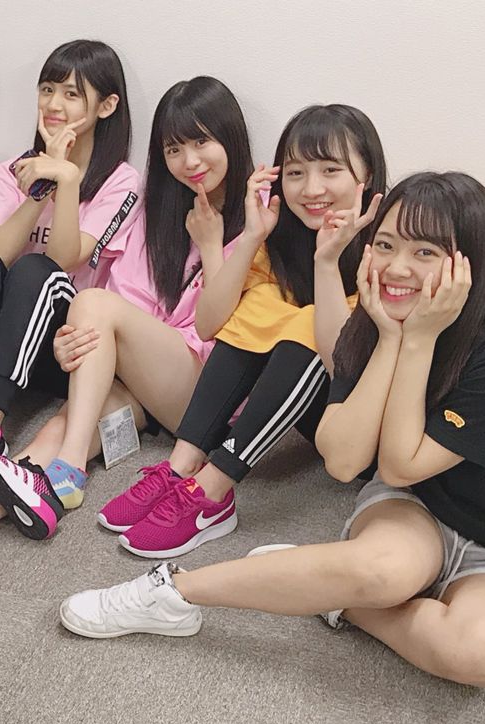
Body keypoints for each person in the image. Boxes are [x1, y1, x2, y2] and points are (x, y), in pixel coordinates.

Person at [59, 173, 485, 689]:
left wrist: (419, 341)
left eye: (425, 252)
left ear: (470, 265)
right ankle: (171, 592)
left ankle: (334, 595)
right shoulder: (375, 318)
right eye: (385, 245)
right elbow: (343, 460)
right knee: (385, 571)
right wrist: (392, 339)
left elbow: (402, 461)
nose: (396, 268)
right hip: (419, 507)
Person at [0, 77, 266, 548]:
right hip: (150, 389)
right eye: (174, 149)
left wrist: (210, 245)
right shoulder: (160, 212)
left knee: (92, 304)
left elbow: (219, 330)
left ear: (231, 139)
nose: (190, 161)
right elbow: (129, 299)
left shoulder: (259, 217)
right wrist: (78, 340)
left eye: (202, 142)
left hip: (209, 398)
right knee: (68, 420)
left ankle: (71, 466)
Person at [100, 104, 387, 558]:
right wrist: (253, 236)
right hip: (312, 414)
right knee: (260, 304)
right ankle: (181, 466)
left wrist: (328, 261)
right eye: (296, 172)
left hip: (367, 432)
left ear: (366, 174)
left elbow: (342, 363)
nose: (312, 189)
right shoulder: (285, 235)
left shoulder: (386, 245)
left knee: (306, 324)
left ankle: (213, 491)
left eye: (331, 170)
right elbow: (210, 323)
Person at [0, 39, 139, 499]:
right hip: (6, 339)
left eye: (71, 94)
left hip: (64, 348)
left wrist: (68, 179)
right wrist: (41, 186)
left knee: (37, 270)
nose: (54, 104)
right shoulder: (13, 169)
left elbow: (64, 258)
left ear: (107, 106)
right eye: (47, 89)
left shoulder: (121, 182)